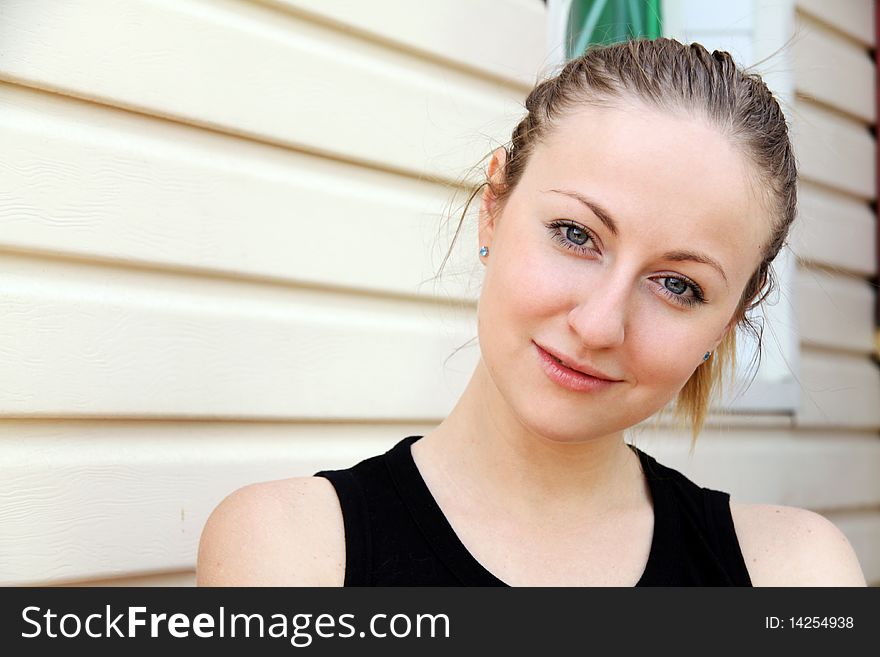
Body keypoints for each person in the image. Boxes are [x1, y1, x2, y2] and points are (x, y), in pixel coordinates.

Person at [196, 38, 867, 586]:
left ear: (724, 325)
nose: (600, 324)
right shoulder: (290, 550)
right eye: (577, 235)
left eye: (678, 285)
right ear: (495, 205)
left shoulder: (794, 574)